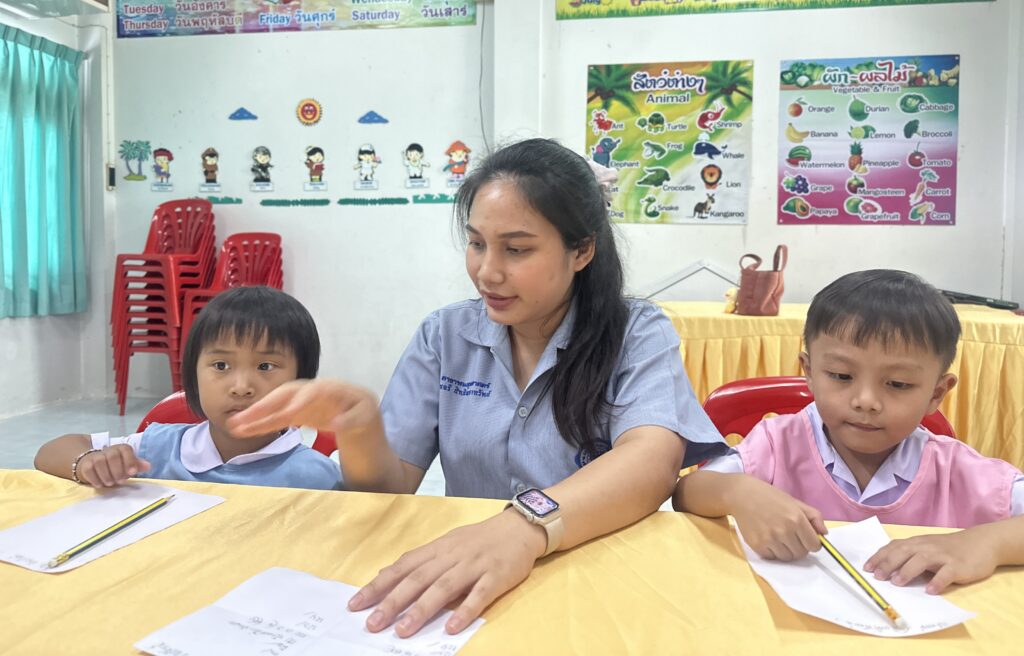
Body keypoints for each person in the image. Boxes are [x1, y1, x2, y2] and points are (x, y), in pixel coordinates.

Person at [230, 138, 727, 637]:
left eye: (517, 249)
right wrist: (359, 428)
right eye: (476, 244)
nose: (487, 272)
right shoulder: (444, 336)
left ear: (582, 250)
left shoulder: (636, 332)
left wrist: (525, 526)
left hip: (593, 574)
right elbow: (386, 492)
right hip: (469, 583)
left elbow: (651, 462)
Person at [673, 269, 1024, 594]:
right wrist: (737, 492)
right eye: (841, 376)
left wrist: (985, 543)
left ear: (936, 393)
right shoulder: (776, 445)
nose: (865, 401)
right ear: (809, 372)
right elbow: (687, 492)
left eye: (898, 384)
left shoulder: (956, 471)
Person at [35, 286, 340, 491]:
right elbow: (50, 453)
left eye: (265, 366)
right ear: (193, 374)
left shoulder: (317, 477)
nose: (241, 387)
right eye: (221, 365)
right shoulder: (157, 449)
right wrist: (87, 463)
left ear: (302, 383)